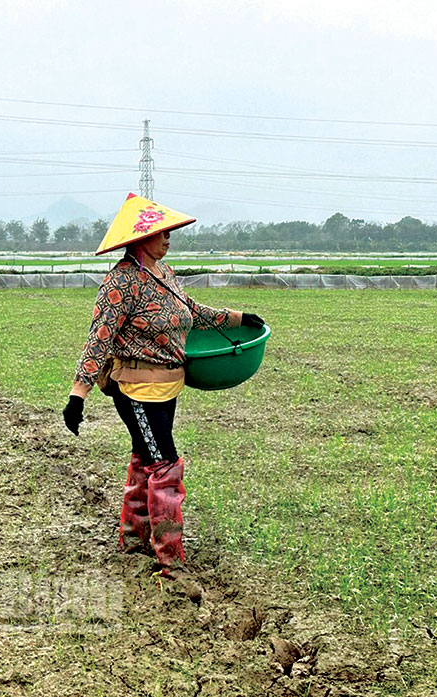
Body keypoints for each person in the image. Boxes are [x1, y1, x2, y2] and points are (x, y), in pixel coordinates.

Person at [62, 195, 264, 575]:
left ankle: (134, 537)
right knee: (165, 464)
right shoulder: (120, 283)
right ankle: (169, 557)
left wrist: (237, 318)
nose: (168, 238)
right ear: (139, 239)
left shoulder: (164, 274)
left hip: (168, 385)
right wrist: (79, 394)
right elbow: (99, 339)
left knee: (145, 458)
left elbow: (192, 311)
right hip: (135, 389)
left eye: (169, 231)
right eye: (161, 232)